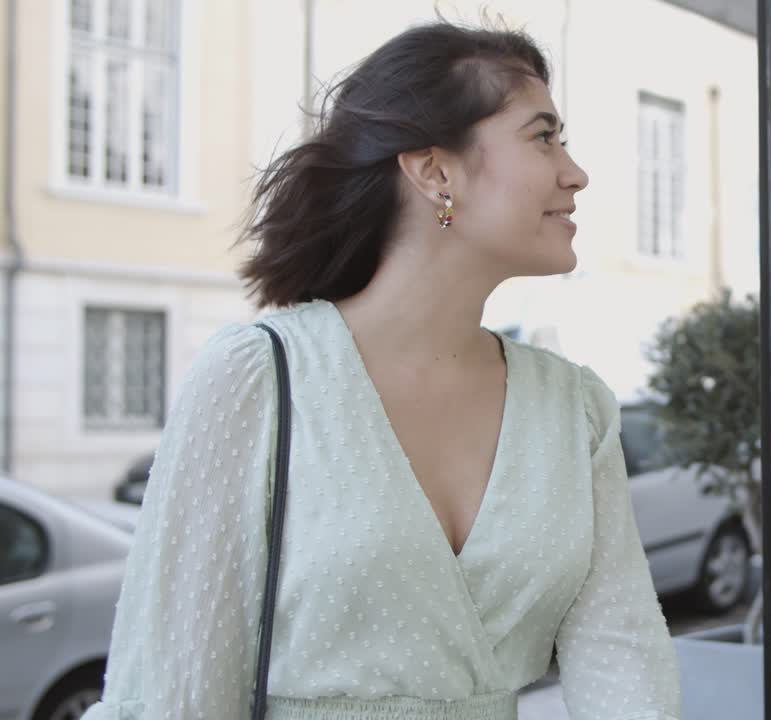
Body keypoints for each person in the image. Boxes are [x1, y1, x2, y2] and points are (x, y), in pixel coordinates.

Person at [83, 21, 681, 720]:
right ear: (434, 171)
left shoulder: (572, 410)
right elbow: (178, 695)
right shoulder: (261, 379)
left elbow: (626, 662)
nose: (574, 173)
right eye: (543, 136)